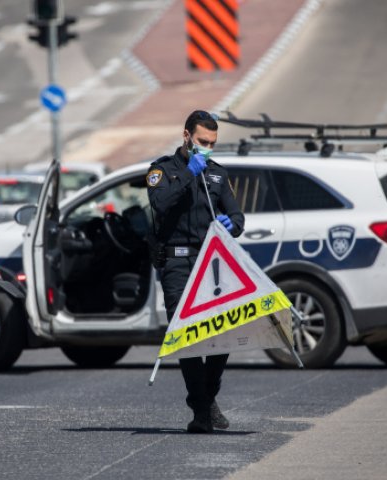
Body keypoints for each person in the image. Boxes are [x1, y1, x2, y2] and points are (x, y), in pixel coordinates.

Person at [147, 110, 244, 433]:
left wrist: (233, 224)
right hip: (177, 263)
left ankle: (206, 396)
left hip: (211, 263)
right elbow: (160, 204)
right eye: (203, 141)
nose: (207, 148)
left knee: (222, 333)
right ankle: (202, 411)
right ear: (186, 136)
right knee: (186, 336)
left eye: (213, 143)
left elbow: (237, 216)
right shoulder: (162, 170)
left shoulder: (217, 174)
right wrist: (189, 173)